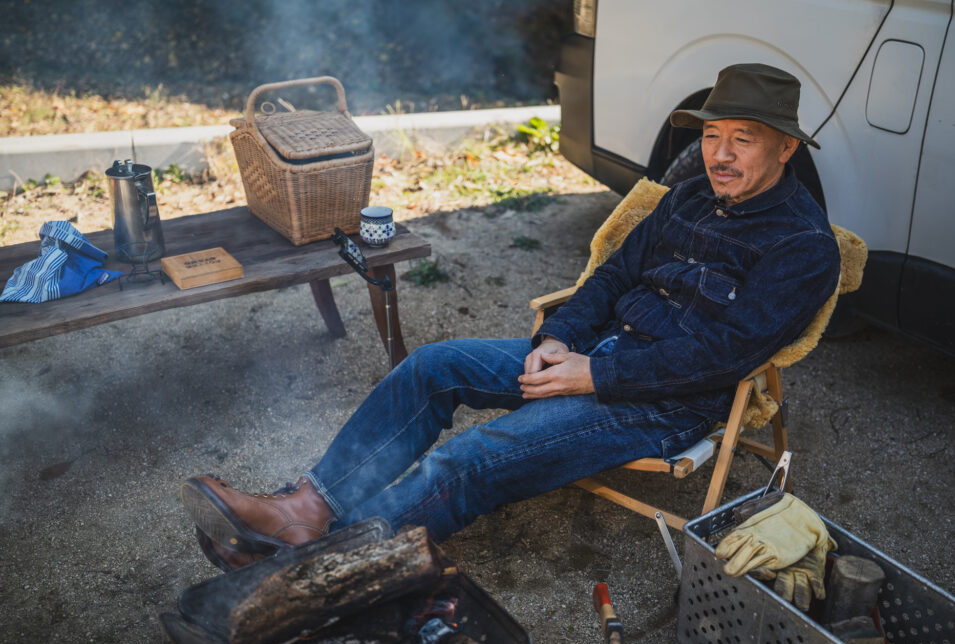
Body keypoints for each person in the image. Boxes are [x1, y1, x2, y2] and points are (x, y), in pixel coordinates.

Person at [180, 63, 841, 571]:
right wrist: (560, 337)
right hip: (597, 349)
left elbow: (721, 357)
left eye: (742, 141)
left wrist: (593, 376)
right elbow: (614, 274)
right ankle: (307, 508)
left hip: (661, 402)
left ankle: (320, 564)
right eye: (712, 136)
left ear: (786, 147)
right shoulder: (689, 195)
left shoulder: (803, 247)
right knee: (433, 365)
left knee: (474, 458)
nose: (719, 155)